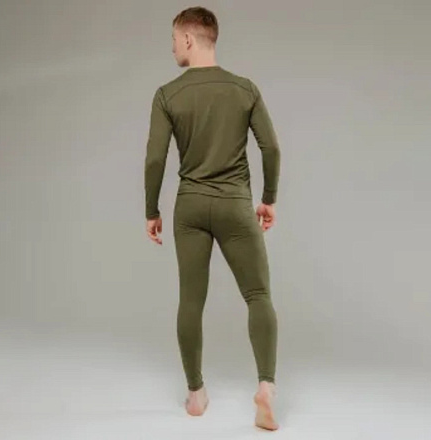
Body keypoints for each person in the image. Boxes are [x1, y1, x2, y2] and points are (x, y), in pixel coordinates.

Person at [144, 6, 281, 431]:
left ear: (188, 39)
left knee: (191, 300)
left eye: (173, 40)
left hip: (189, 207)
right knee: (257, 295)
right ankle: (266, 387)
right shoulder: (244, 89)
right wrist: (268, 199)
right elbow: (271, 148)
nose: (172, 48)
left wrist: (151, 210)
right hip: (235, 203)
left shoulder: (167, 95)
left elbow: (154, 160)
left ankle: (196, 394)